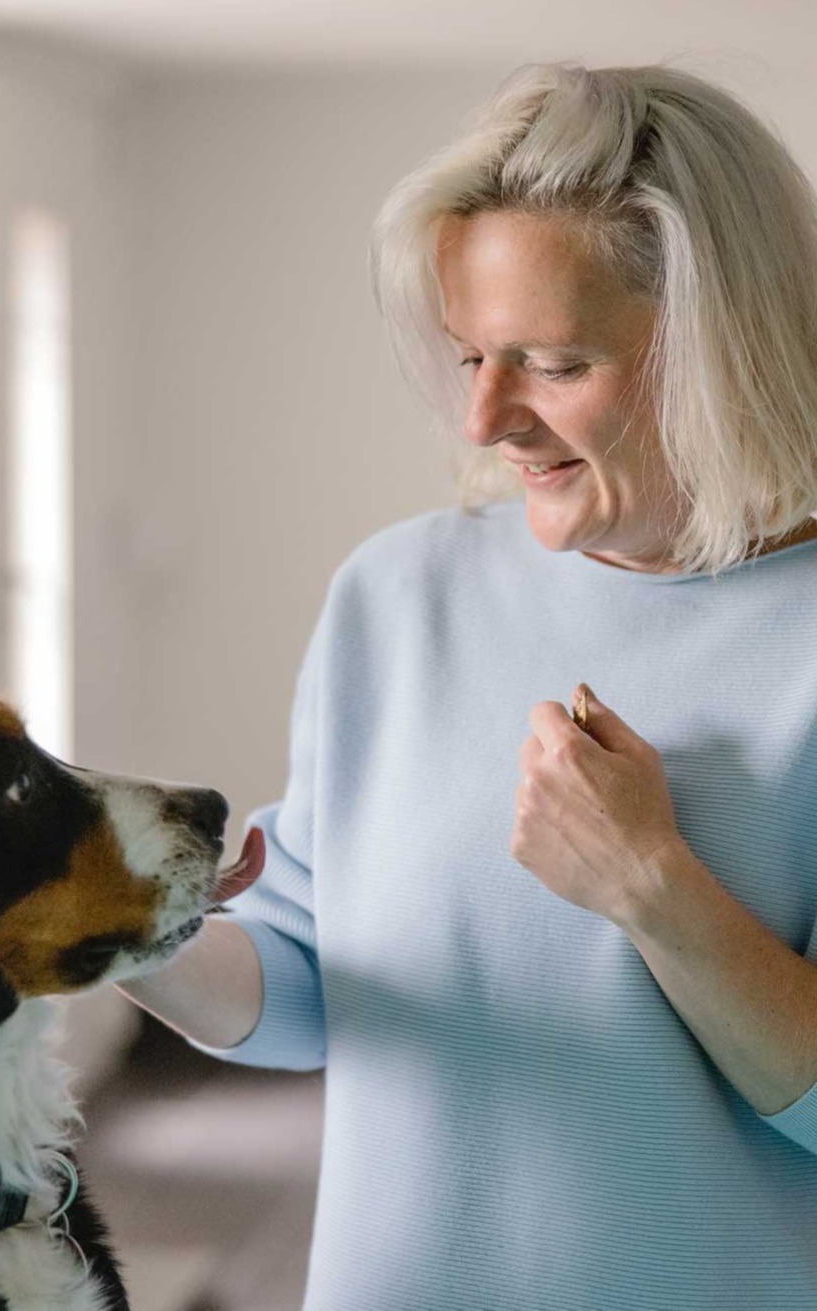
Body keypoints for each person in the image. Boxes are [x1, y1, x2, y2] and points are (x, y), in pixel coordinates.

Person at [118, 62, 817, 1309]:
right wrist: (124, 935)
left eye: (553, 363)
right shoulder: (396, 596)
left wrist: (650, 886)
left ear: (728, 347)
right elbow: (310, 983)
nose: (486, 418)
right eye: (468, 357)